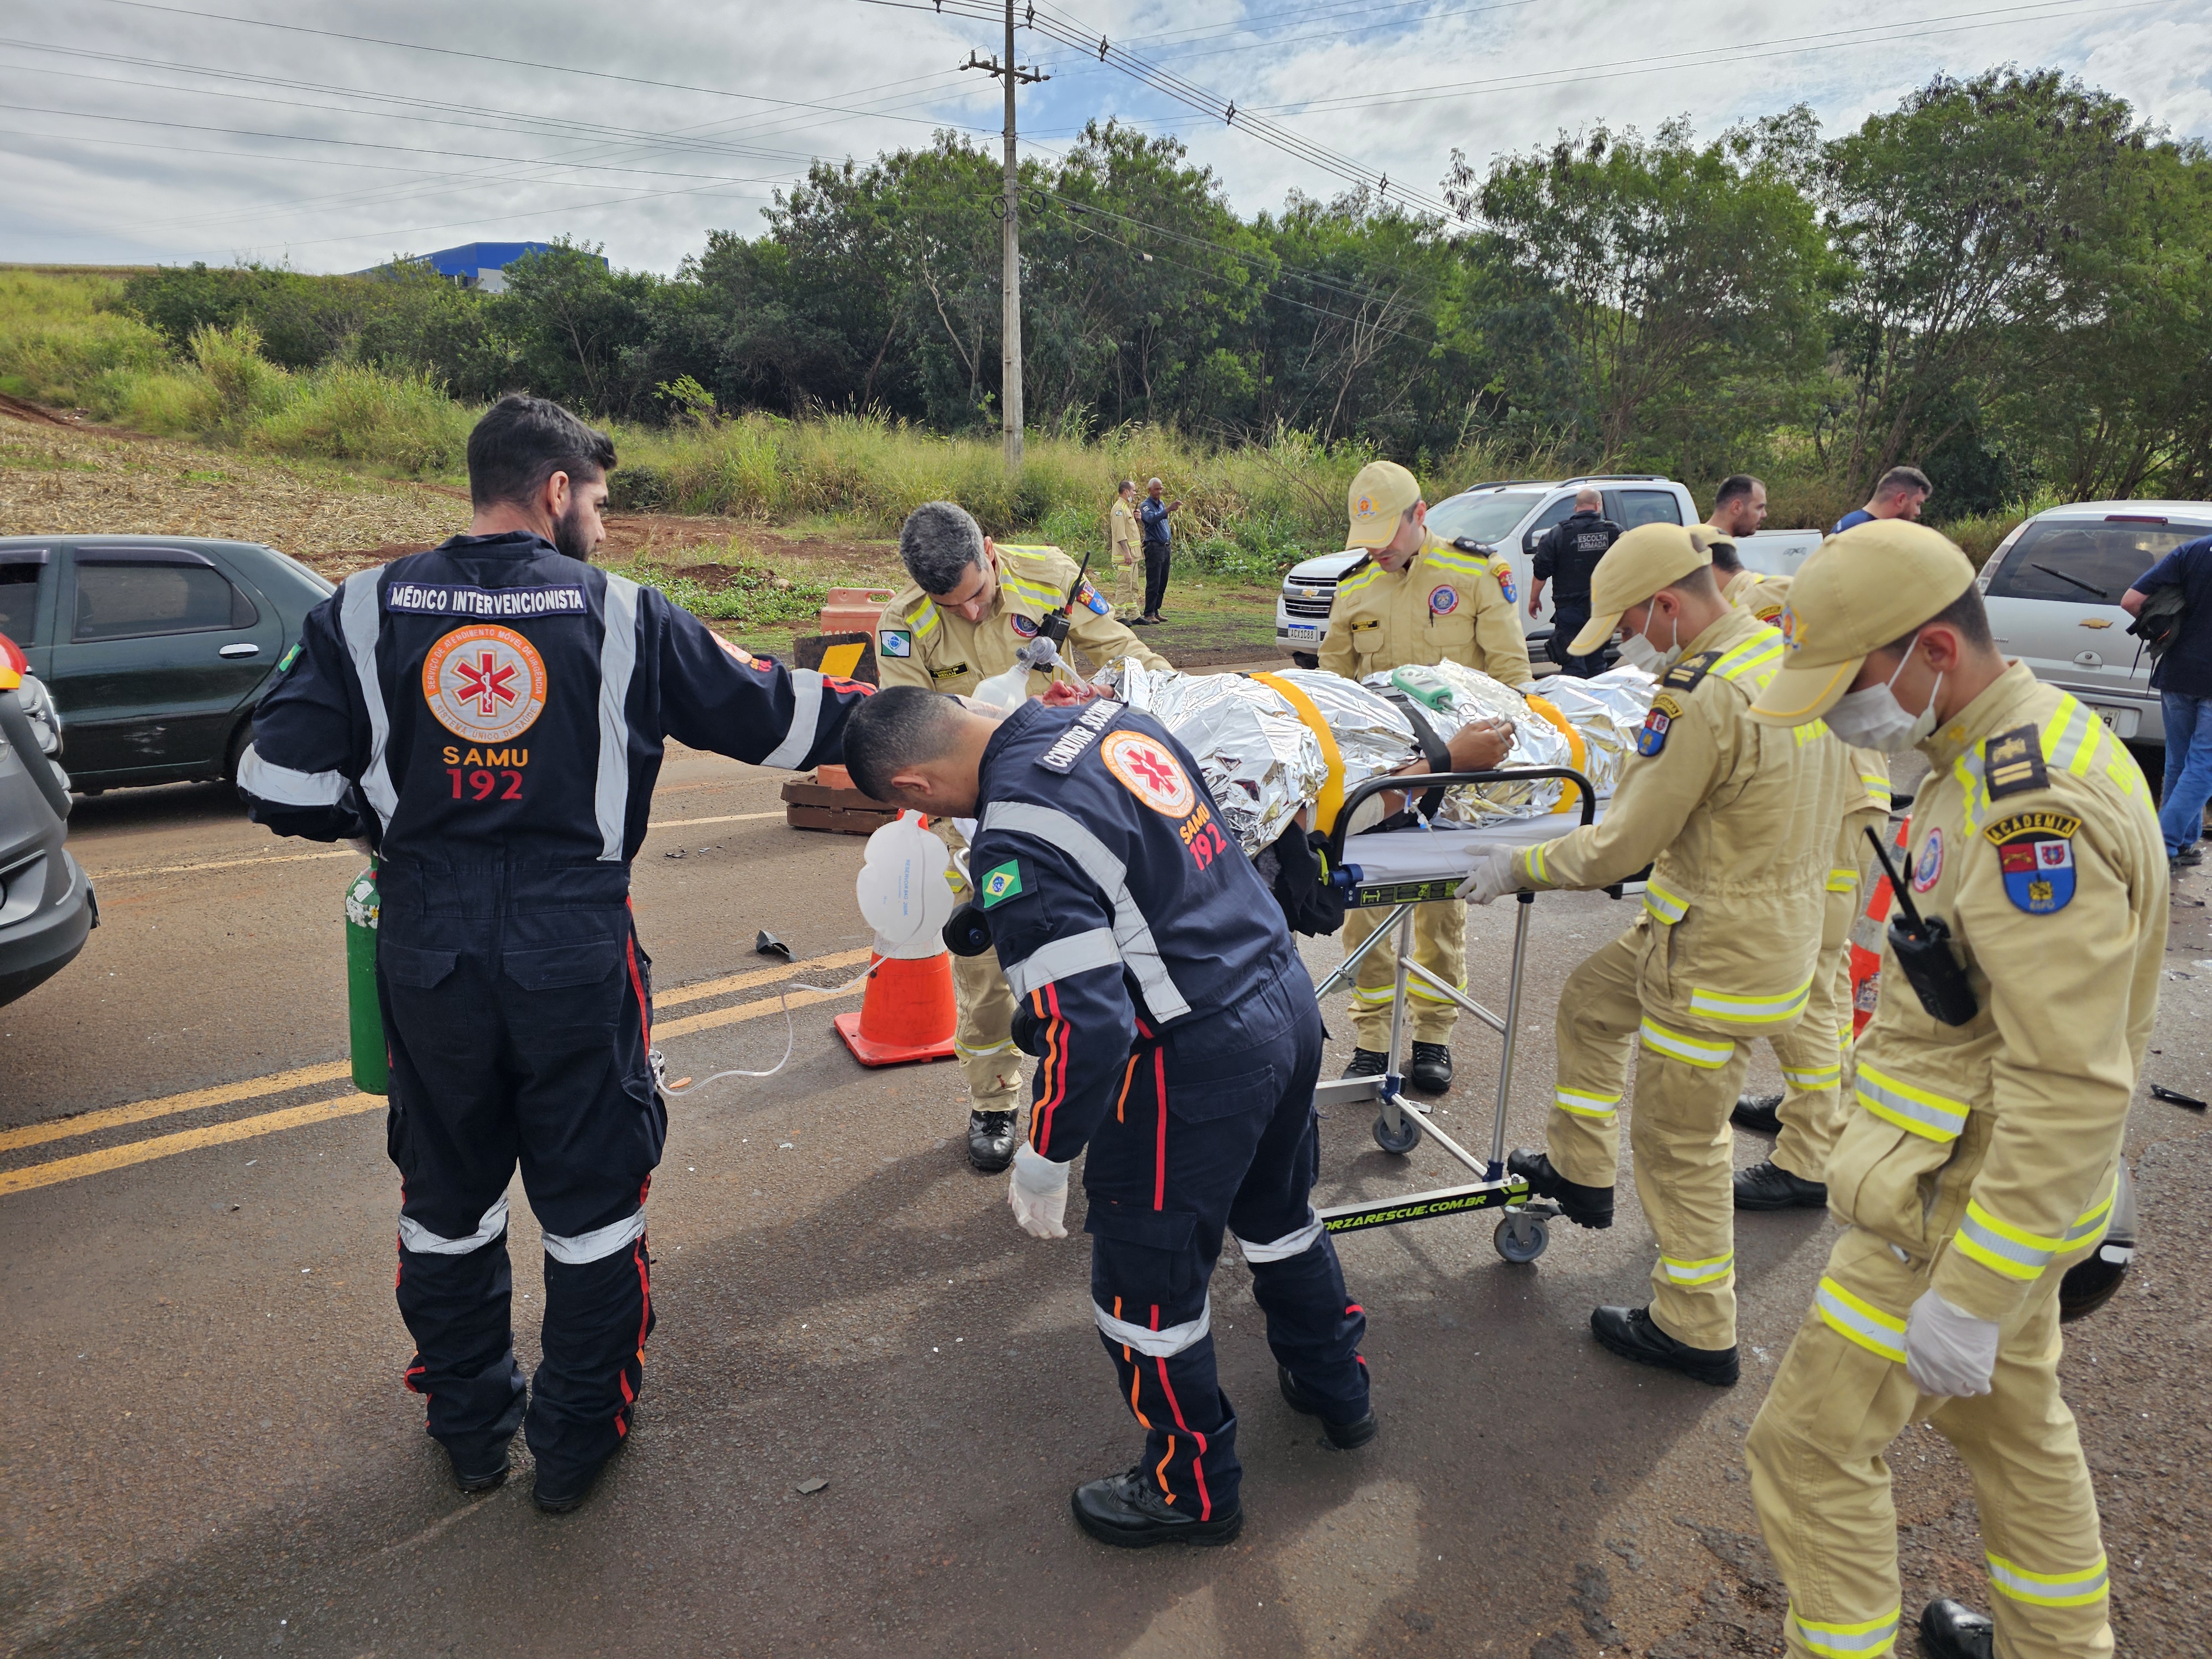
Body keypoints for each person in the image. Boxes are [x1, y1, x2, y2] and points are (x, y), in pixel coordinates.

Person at [237, 395, 869, 1511]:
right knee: (593, 1204)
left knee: (445, 1200)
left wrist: (389, 822)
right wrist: (938, 724)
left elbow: (273, 780)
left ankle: (471, 1427)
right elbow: (783, 718)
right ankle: (577, 1441)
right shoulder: (624, 615)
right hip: (574, 947)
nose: (606, 529)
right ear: (556, 491)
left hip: (426, 945)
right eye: (602, 505)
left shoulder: (363, 607)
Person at [1740, 520, 2163, 1659]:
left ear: (1931, 648)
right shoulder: (1993, 741)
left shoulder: (2032, 809)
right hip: (1990, 1203)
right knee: (2015, 1437)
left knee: (1807, 1450)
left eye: (1847, 689)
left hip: (1954, 1208)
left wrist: (1971, 1290)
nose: (1837, 718)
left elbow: (2069, 1081)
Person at [842, 685, 1374, 1547]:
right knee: (1279, 1221)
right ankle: (1336, 1388)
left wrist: (1047, 1154)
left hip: (1193, 1062)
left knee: (1145, 1295)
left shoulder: (1017, 836)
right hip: (1281, 999)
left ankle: (1192, 1490)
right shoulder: (1105, 717)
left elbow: (1086, 1025)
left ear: (912, 790)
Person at [1460, 523, 1850, 1386]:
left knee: (1681, 1142)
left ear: (1669, 604)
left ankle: (1696, 1325)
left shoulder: (1701, 696)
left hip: (1711, 954)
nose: (1632, 647)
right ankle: (1579, 1169)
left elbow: (1621, 845)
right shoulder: (1783, 657)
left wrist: (1513, 865)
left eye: (1633, 627)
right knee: (1591, 1001)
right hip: (1756, 929)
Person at [874, 502, 1172, 1172]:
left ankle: (1109, 1097)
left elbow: (1122, 650)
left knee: (1108, 956)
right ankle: (994, 1104)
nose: (972, 615)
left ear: (989, 548)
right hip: (980, 822)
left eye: (978, 595)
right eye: (954, 607)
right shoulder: (904, 625)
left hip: (1079, 806)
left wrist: (1163, 701)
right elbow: (911, 736)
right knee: (987, 973)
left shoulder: (1051, 577)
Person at [1694, 510, 1896, 1207]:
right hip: (1840, 791)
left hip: (1839, 801)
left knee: (1811, 974)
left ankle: (1809, 1158)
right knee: (1825, 972)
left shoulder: (1772, 596)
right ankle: (1811, 1111)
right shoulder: (1784, 602)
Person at [1320, 460, 1535, 1095]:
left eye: (1389, 532)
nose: (1378, 549)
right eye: (1368, 537)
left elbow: (1514, 680)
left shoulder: (1474, 576)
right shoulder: (1354, 586)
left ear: (1421, 515)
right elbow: (1330, 688)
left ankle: (1432, 1038)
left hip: (1457, 786)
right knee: (1365, 913)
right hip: (1384, 781)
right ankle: (1369, 1039)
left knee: (1442, 914)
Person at [2121, 529, 2212, 874]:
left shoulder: (2193, 551)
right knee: (2204, 766)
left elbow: (2131, 600)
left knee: (2180, 762)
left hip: (2178, 672)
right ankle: (2162, 844)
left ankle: (2185, 843)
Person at [1529, 487, 1621, 676]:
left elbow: (1541, 570)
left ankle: (1577, 701)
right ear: (1598, 506)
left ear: (1576, 508)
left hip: (1569, 608)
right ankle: (1599, 699)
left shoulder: (1558, 534)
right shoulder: (1614, 532)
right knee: (1597, 661)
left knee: (1572, 661)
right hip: (1602, 607)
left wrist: (1534, 599)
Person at [1701, 475, 1791, 623]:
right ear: (1737, 507)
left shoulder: (1702, 541)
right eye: (1759, 507)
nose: (1765, 514)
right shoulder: (1699, 549)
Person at [1832, 465, 1931, 535]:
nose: (1918, 512)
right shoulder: (1863, 532)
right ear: (1901, 499)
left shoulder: (1854, 522)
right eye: (1918, 504)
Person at [1136, 477, 1180, 624]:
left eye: (1161, 489)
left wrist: (1166, 509)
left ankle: (1156, 610)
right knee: (1154, 581)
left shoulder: (1161, 504)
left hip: (1166, 547)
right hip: (1154, 547)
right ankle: (1148, 613)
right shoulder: (1146, 506)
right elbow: (1151, 519)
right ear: (1149, 490)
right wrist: (1168, 509)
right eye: (1156, 489)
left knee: (1163, 581)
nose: (1159, 492)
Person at [1109, 480, 1144, 617]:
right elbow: (1120, 533)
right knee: (1124, 585)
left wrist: (1138, 520)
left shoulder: (1127, 508)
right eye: (1134, 490)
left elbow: (1130, 531)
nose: (1135, 493)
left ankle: (1134, 614)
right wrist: (1126, 552)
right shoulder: (1119, 509)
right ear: (1126, 491)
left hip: (1134, 555)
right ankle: (1119, 615)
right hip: (1126, 557)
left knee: (1133, 585)